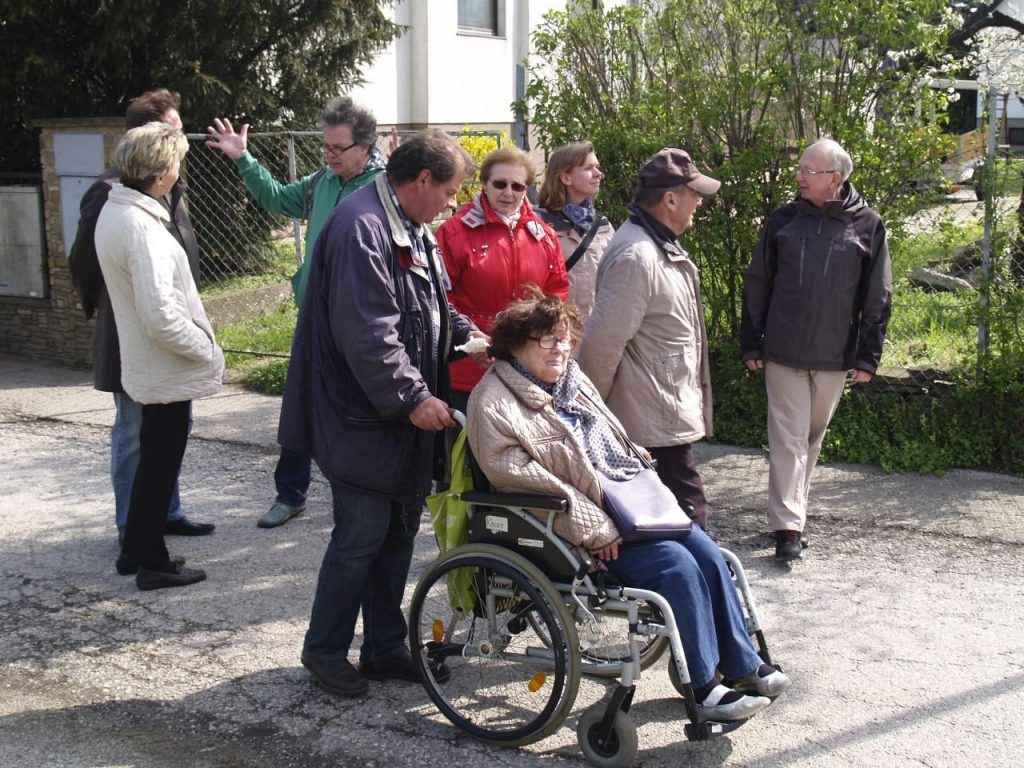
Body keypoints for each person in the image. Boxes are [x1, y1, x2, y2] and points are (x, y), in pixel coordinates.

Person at [467, 289, 791, 721]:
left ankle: (743, 666)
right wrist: (594, 527)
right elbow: (522, 480)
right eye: (547, 340)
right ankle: (705, 688)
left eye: (564, 338)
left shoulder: (571, 380)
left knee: (710, 554)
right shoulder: (494, 402)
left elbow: (614, 439)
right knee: (676, 566)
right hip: (579, 529)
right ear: (514, 346)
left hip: (630, 503)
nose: (560, 348)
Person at [277, 129, 487, 697]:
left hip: (388, 419)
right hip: (360, 418)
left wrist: (477, 340)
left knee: (396, 533)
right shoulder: (360, 228)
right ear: (421, 181)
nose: (453, 203)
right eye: (450, 191)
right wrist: (413, 398)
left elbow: (436, 309)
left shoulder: (411, 225)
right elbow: (370, 335)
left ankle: (384, 646)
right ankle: (323, 651)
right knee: (360, 535)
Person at [206, 96, 386, 529]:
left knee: (364, 409)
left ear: (364, 148)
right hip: (314, 318)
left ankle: (368, 498)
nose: (328, 155)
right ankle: (291, 495)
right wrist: (243, 158)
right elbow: (274, 198)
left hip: (360, 321)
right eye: (324, 147)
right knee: (300, 404)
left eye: (336, 148)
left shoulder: (384, 189)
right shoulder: (320, 182)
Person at [69, 88, 216, 548]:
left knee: (168, 433)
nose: (180, 138)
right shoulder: (113, 195)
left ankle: (163, 515)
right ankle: (134, 528)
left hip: (167, 331)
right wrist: (110, 307)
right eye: (171, 130)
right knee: (136, 434)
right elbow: (86, 262)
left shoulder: (167, 188)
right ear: (145, 137)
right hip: (133, 332)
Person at [740, 138, 892, 562]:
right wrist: (752, 341)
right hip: (784, 351)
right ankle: (787, 528)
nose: (799, 175)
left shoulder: (867, 225)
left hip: (834, 355)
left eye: (809, 170)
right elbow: (758, 281)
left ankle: (794, 514)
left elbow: (877, 295)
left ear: (835, 179)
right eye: (800, 168)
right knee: (788, 438)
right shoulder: (783, 220)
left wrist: (867, 356)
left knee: (811, 438)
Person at [94, 122, 225, 590]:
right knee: (158, 466)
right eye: (176, 162)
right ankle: (153, 562)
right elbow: (162, 315)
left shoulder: (119, 211)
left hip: (149, 364)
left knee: (153, 460)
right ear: (163, 172)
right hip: (163, 365)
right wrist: (208, 352)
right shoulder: (141, 226)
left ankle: (134, 550)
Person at [577, 148, 720, 529]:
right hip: (649, 419)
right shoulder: (638, 255)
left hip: (659, 410)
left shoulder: (653, 244)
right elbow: (600, 348)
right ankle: (694, 586)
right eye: (694, 194)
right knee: (687, 519)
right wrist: (594, 416)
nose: (699, 203)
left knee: (676, 521)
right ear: (670, 199)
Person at [436, 145, 568, 414]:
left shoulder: (544, 235)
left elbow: (557, 292)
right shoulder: (454, 232)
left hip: (528, 366)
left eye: (517, 186)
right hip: (470, 368)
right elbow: (439, 296)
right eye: (500, 183)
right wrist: (469, 339)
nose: (508, 193)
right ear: (485, 184)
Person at [535, 141, 615, 322]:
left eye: (597, 167)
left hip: (596, 332)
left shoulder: (603, 227)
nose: (598, 174)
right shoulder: (537, 224)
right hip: (554, 334)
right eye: (588, 168)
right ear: (565, 178)